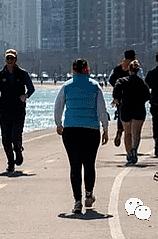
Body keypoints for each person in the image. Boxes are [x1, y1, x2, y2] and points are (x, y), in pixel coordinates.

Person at [54, 58, 109, 214]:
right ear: (87, 69)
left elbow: (58, 106)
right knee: (89, 164)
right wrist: (105, 128)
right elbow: (101, 109)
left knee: (75, 165)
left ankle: (77, 201)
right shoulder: (94, 86)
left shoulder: (67, 86)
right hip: (91, 130)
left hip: (71, 130)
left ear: (73, 70)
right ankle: (89, 195)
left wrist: (58, 124)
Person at [0, 49, 35, 174]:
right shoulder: (0, 75)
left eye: (12, 59)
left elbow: (31, 89)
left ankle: (18, 151)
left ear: (16, 60)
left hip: (18, 110)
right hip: (4, 110)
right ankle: (10, 163)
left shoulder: (22, 73)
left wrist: (25, 96)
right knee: (6, 139)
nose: (10, 61)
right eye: (8, 59)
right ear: (5, 60)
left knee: (15, 136)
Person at [112, 59, 150, 165]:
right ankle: (134, 149)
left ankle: (129, 154)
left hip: (126, 109)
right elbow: (147, 95)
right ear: (138, 71)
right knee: (136, 133)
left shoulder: (122, 81)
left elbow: (116, 89)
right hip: (138, 109)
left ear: (129, 70)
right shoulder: (141, 82)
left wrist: (117, 99)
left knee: (127, 133)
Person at [108, 50, 142, 147]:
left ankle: (120, 131)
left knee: (121, 114)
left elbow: (110, 79)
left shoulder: (118, 67)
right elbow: (141, 81)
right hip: (133, 97)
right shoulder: (135, 67)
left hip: (121, 96)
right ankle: (131, 142)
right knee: (133, 119)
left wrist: (117, 89)